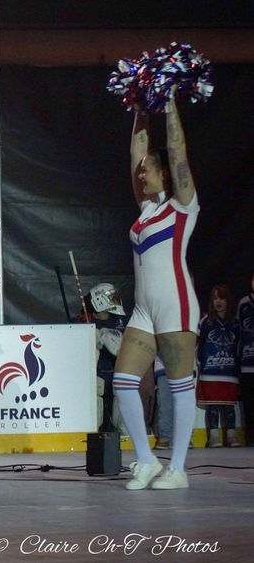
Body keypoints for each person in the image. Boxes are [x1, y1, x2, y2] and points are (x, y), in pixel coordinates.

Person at [114, 98, 199, 490]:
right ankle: (147, 461)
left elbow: (178, 149)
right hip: (144, 310)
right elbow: (136, 150)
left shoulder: (183, 206)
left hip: (175, 306)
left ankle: (177, 469)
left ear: (165, 173)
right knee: (123, 380)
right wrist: (140, 104)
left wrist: (168, 102)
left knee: (179, 387)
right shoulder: (146, 209)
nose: (141, 173)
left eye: (148, 169)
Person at [196, 284, 240, 447]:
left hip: (230, 373)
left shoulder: (235, 323)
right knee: (212, 405)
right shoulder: (205, 322)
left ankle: (231, 435)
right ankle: (214, 437)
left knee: (229, 406)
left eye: (222, 298)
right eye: (215, 298)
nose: (218, 302)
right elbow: (198, 346)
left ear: (228, 301)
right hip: (210, 372)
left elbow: (239, 346)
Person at [84, 283, 127, 432]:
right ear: (99, 299)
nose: (115, 300)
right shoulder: (84, 321)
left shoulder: (121, 322)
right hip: (96, 373)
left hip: (116, 371)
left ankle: (122, 432)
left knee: (122, 398)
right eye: (111, 297)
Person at [236, 272, 254, 446]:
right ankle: (250, 436)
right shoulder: (244, 304)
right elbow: (238, 332)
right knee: (249, 403)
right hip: (247, 363)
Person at [152, 356, 173, 449]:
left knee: (183, 405)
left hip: (183, 369)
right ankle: (165, 437)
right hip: (162, 367)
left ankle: (182, 437)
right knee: (164, 405)